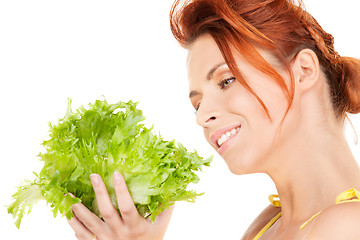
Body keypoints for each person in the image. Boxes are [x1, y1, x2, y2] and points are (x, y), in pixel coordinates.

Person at [67, 0, 360, 239]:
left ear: (304, 71)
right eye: (197, 104)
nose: (203, 117)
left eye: (226, 81)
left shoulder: (347, 226)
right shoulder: (267, 226)